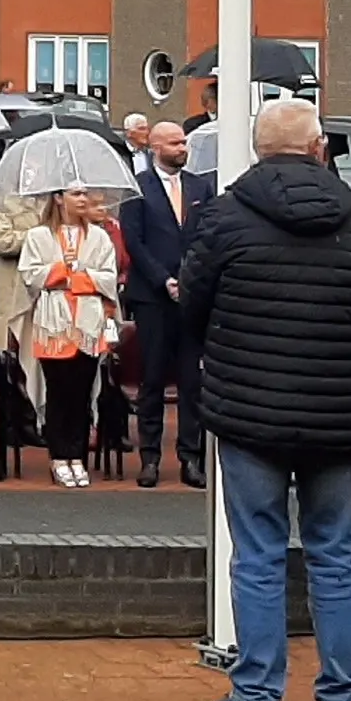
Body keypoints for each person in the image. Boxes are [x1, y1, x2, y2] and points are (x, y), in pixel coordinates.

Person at [181, 99, 351, 701]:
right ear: (320, 147)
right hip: (335, 413)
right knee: (336, 556)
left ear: (257, 149)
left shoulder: (227, 217)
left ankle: (257, 699)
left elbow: (191, 305)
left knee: (259, 555)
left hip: (248, 413)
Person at [122, 120, 213, 490]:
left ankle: (191, 457)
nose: (183, 147)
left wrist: (189, 279)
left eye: (184, 142)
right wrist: (164, 280)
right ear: (156, 147)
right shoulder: (137, 189)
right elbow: (134, 241)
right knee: (153, 379)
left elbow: (207, 235)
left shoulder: (200, 187)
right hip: (152, 298)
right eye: (175, 142)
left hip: (191, 298)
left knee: (193, 381)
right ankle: (150, 458)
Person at [18, 185, 121, 489]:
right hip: (54, 321)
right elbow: (30, 274)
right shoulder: (38, 236)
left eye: (84, 194)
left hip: (88, 321)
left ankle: (77, 456)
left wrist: (76, 278)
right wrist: (63, 270)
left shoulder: (99, 237)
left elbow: (108, 276)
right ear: (59, 198)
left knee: (82, 391)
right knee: (58, 392)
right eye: (75, 194)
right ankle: (58, 455)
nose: (83, 199)